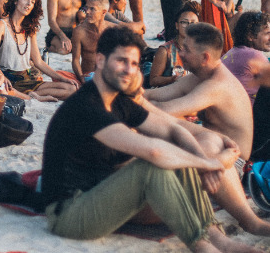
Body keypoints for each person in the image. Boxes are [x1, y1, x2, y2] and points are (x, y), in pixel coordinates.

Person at [41, 26, 259, 253]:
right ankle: (203, 247)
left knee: (178, 154)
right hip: (69, 214)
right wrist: (209, 163)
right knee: (153, 166)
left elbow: (174, 129)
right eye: (121, 61)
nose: (128, 70)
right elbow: (153, 151)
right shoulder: (87, 107)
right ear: (100, 60)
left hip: (99, 192)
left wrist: (199, 158)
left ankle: (219, 240)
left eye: (134, 64)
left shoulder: (118, 101)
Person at [145, 23, 270, 236]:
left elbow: (165, 111)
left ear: (204, 57)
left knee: (180, 132)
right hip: (209, 151)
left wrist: (131, 107)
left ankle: (249, 221)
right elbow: (156, 95)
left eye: (185, 49)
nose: (180, 53)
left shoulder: (216, 86)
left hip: (231, 163)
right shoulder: (199, 77)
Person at [0, 0, 78, 102]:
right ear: (15, 1)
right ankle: (29, 95)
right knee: (68, 90)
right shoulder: (1, 25)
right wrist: (1, 76)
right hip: (9, 79)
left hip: (27, 78)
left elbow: (38, 61)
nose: (28, 4)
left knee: (71, 88)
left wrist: (62, 78)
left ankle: (32, 95)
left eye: (32, 2)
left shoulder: (30, 29)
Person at [148, 1, 200, 88]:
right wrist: (172, 79)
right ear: (177, 25)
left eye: (193, 23)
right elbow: (153, 80)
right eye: (184, 22)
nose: (189, 26)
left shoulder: (201, 49)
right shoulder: (165, 50)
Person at [71, 0, 117, 84]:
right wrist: (81, 77)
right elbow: (75, 60)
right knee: (59, 76)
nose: (87, 12)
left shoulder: (113, 30)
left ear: (103, 12)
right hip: (87, 77)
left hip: (108, 77)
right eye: (87, 8)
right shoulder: (79, 31)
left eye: (92, 9)